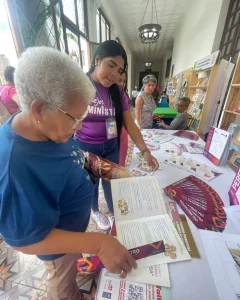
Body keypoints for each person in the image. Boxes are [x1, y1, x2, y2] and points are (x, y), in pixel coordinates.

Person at [0, 47, 137, 300]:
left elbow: (78, 157)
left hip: (73, 232)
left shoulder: (51, 128)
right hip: (56, 250)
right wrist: (98, 243)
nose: (80, 126)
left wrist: (116, 172)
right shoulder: (15, 165)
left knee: (73, 270)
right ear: (39, 109)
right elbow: (22, 240)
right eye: (75, 118)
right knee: (63, 285)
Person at [74, 40, 159, 231]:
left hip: (111, 146)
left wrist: (144, 150)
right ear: (97, 60)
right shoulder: (79, 85)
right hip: (86, 148)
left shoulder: (117, 90)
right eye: (111, 65)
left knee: (112, 182)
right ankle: (95, 210)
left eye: (120, 70)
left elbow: (129, 123)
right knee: (91, 184)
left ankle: (114, 213)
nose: (114, 74)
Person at [118, 70, 129, 167]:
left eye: (124, 81)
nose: (121, 84)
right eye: (119, 80)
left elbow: (129, 121)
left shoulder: (124, 96)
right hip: (106, 138)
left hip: (122, 134)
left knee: (119, 165)